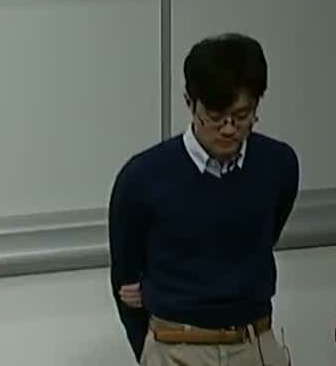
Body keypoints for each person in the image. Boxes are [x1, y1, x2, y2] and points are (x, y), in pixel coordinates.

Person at [108, 33, 299, 364]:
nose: (229, 129)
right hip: (177, 345)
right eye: (215, 115)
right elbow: (125, 281)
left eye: (242, 115)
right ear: (190, 102)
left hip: (254, 341)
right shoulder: (142, 178)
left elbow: (263, 239)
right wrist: (152, 351)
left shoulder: (278, 164)